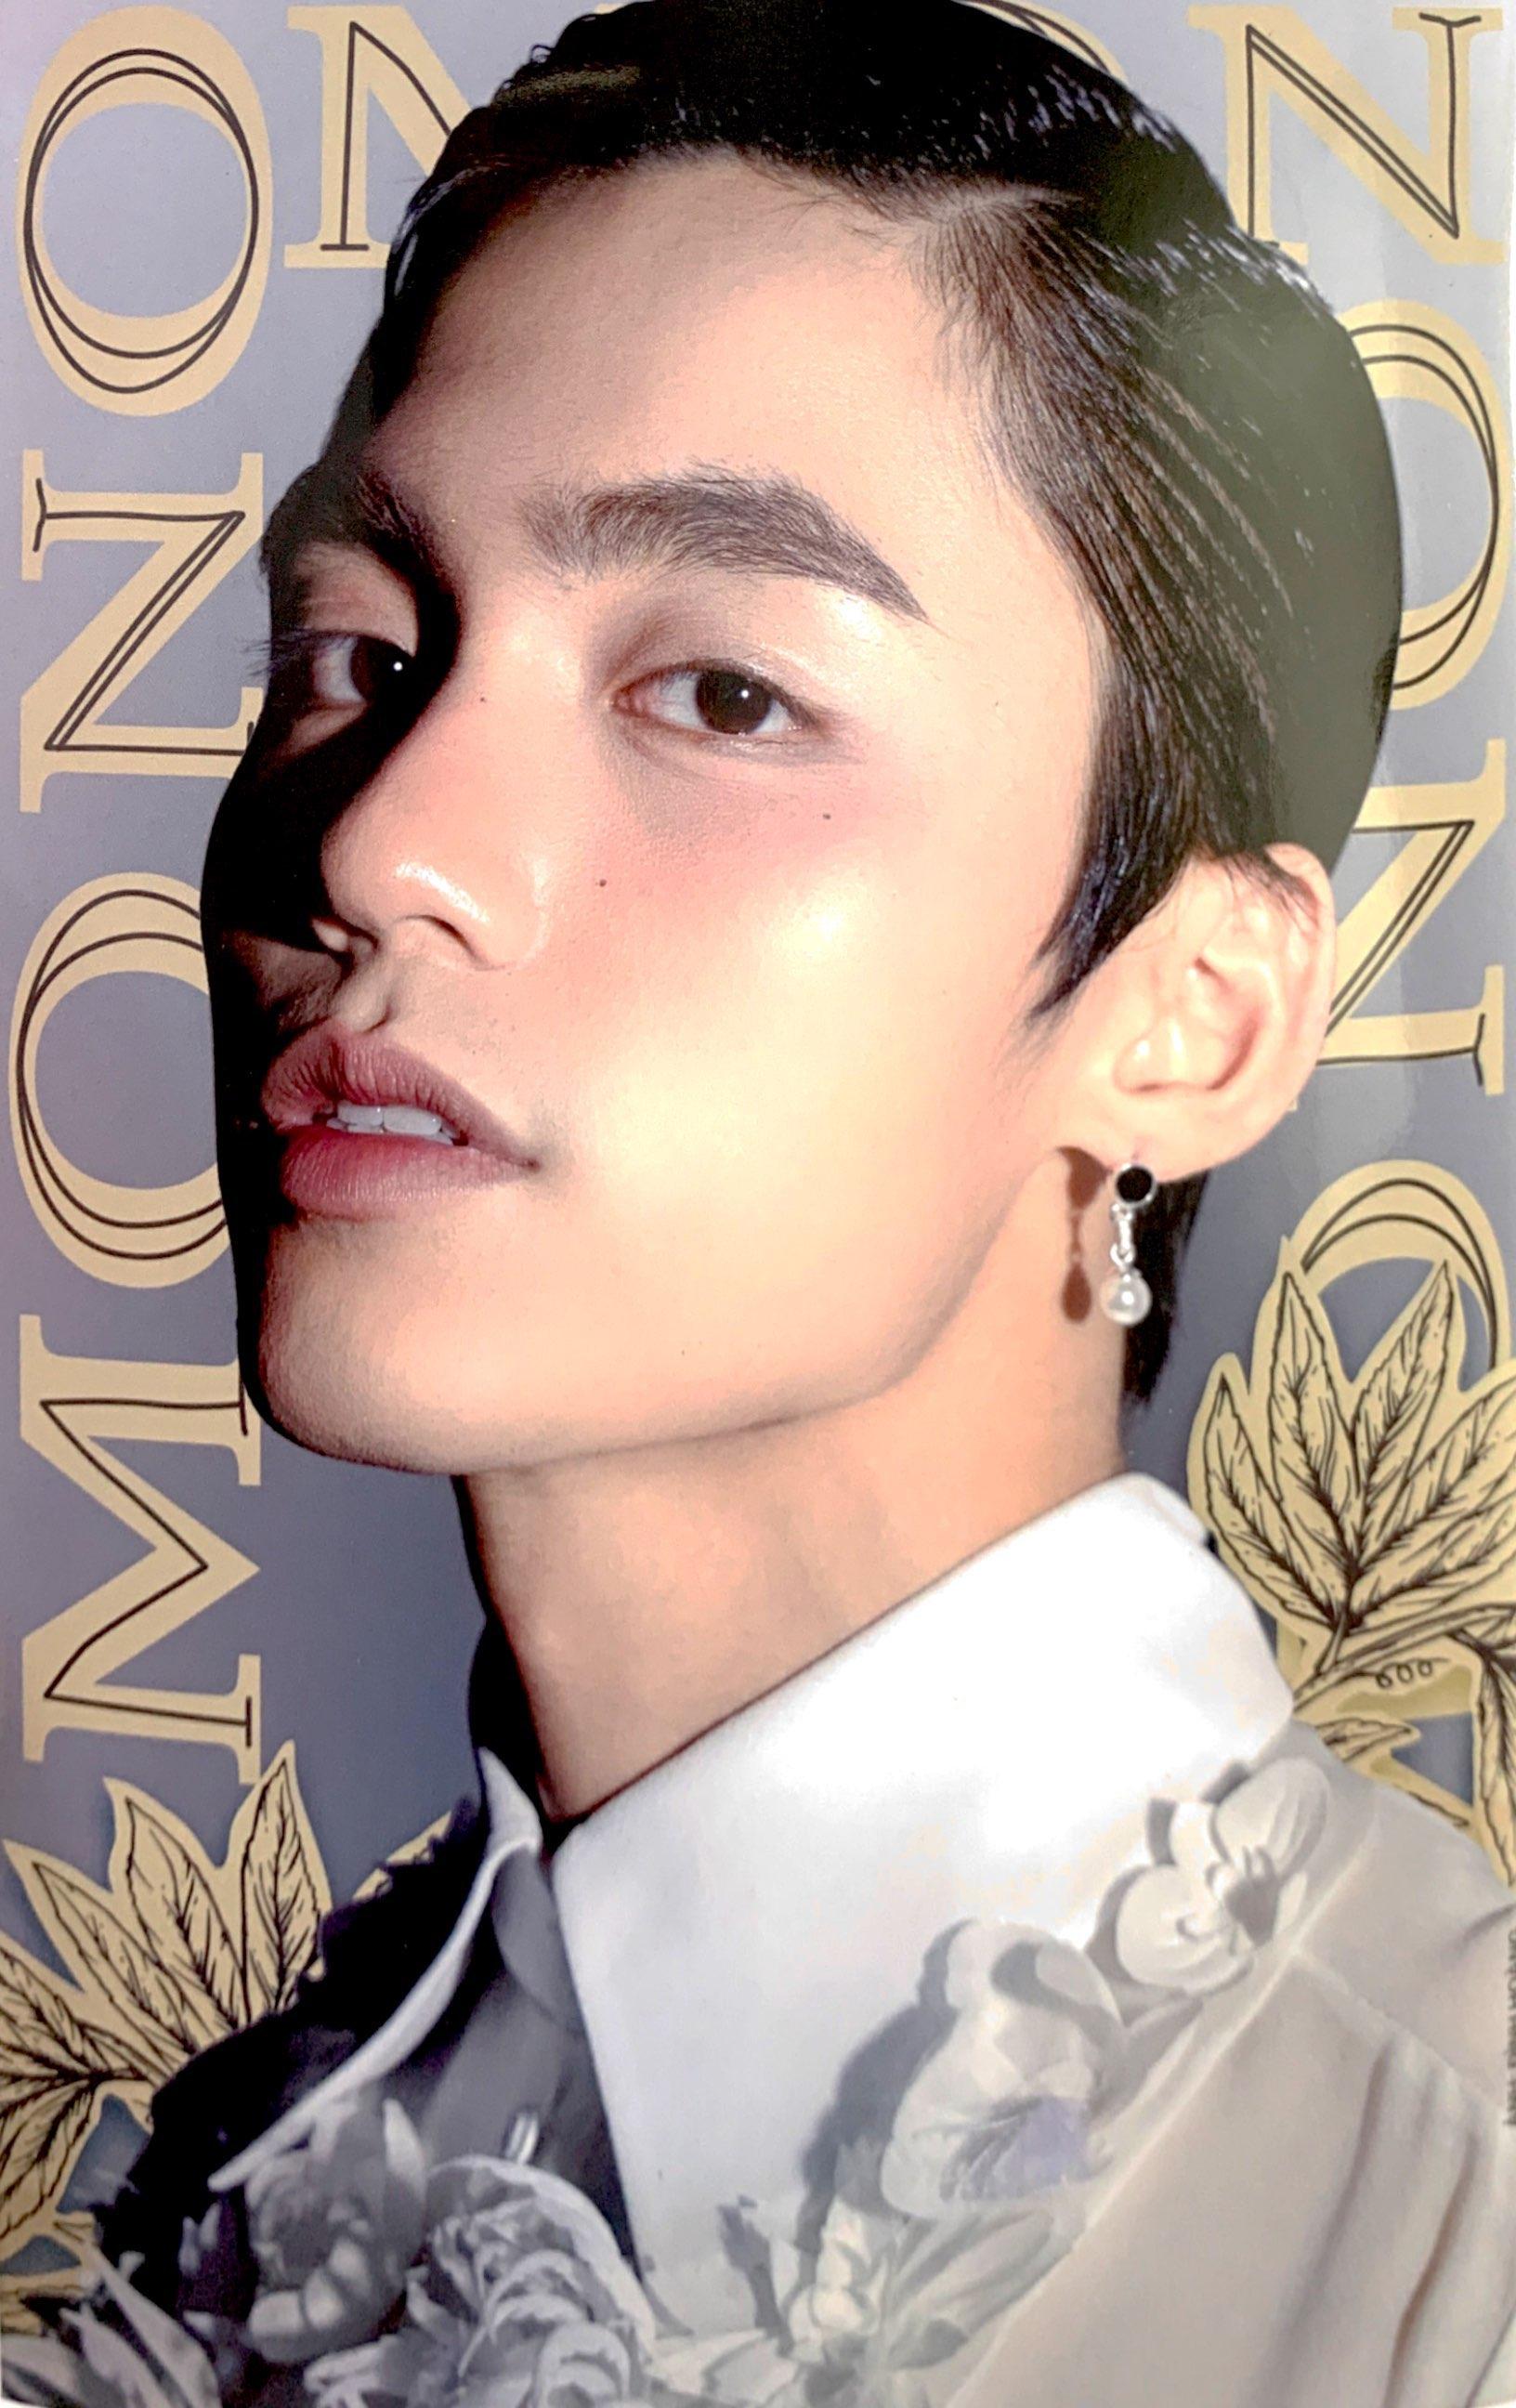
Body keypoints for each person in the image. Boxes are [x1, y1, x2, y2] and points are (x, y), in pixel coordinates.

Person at [14, 2, 1516, 2402]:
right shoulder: (269, 2170)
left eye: (721, 694)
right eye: (359, 648)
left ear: (1193, 1017)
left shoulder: (1451, 2229)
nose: (376, 844)